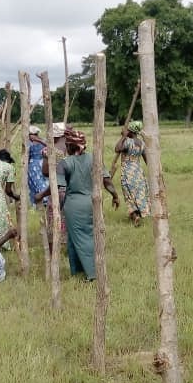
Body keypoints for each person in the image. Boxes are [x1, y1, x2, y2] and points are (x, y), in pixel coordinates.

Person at [35, 127, 120, 281]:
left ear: (68, 146)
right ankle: (78, 271)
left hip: (74, 206)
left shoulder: (65, 163)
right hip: (94, 203)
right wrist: (115, 196)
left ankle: (93, 273)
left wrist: (59, 208)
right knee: (76, 240)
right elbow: (107, 181)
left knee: (82, 239)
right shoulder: (95, 159)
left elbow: (60, 190)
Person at [114, 120, 151, 227]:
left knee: (129, 194)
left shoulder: (127, 142)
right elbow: (147, 161)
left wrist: (123, 136)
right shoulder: (142, 144)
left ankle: (135, 216)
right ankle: (139, 213)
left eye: (128, 130)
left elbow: (117, 149)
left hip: (127, 172)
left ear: (131, 131)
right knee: (139, 193)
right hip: (138, 171)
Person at [26, 126, 48, 206]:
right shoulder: (30, 143)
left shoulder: (30, 143)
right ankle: (38, 202)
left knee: (39, 183)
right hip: (39, 164)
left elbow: (27, 157)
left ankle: (44, 200)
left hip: (35, 165)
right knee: (38, 182)